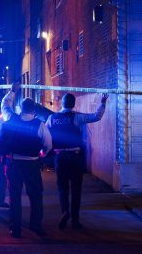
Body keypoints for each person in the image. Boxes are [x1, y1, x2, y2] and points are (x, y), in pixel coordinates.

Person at [45, 93, 108, 230]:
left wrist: (46, 152)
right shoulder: (78, 117)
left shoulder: (52, 118)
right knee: (76, 189)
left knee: (62, 188)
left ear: (62, 103)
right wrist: (102, 102)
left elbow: (46, 135)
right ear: (73, 104)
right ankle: (75, 220)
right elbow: (96, 116)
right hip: (75, 156)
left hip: (60, 157)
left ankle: (64, 212)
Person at [0, 97, 52, 238]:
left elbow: (4, 105)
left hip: (14, 163)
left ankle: (15, 229)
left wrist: (12, 92)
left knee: (14, 197)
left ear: (21, 109)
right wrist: (41, 154)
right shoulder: (40, 125)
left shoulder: (12, 119)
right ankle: (36, 225)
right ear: (33, 110)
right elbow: (48, 145)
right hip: (32, 164)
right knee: (35, 196)